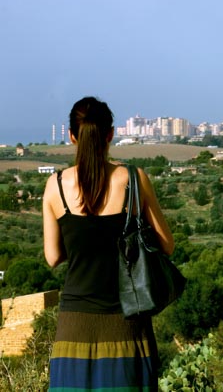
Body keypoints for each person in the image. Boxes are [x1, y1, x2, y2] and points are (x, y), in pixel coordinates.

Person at [43, 96, 175, 391]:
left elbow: (52, 257)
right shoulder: (133, 179)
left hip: (73, 328)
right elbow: (167, 245)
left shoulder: (55, 186)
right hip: (128, 324)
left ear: (72, 136)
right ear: (111, 135)